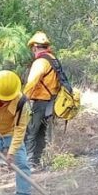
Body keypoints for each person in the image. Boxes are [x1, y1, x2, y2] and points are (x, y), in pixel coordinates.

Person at [23, 32, 60, 168]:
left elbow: (33, 81)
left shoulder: (40, 62)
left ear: (35, 47)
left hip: (41, 101)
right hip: (51, 101)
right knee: (41, 131)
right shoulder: (53, 59)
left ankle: (28, 163)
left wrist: (24, 98)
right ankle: (37, 161)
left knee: (31, 131)